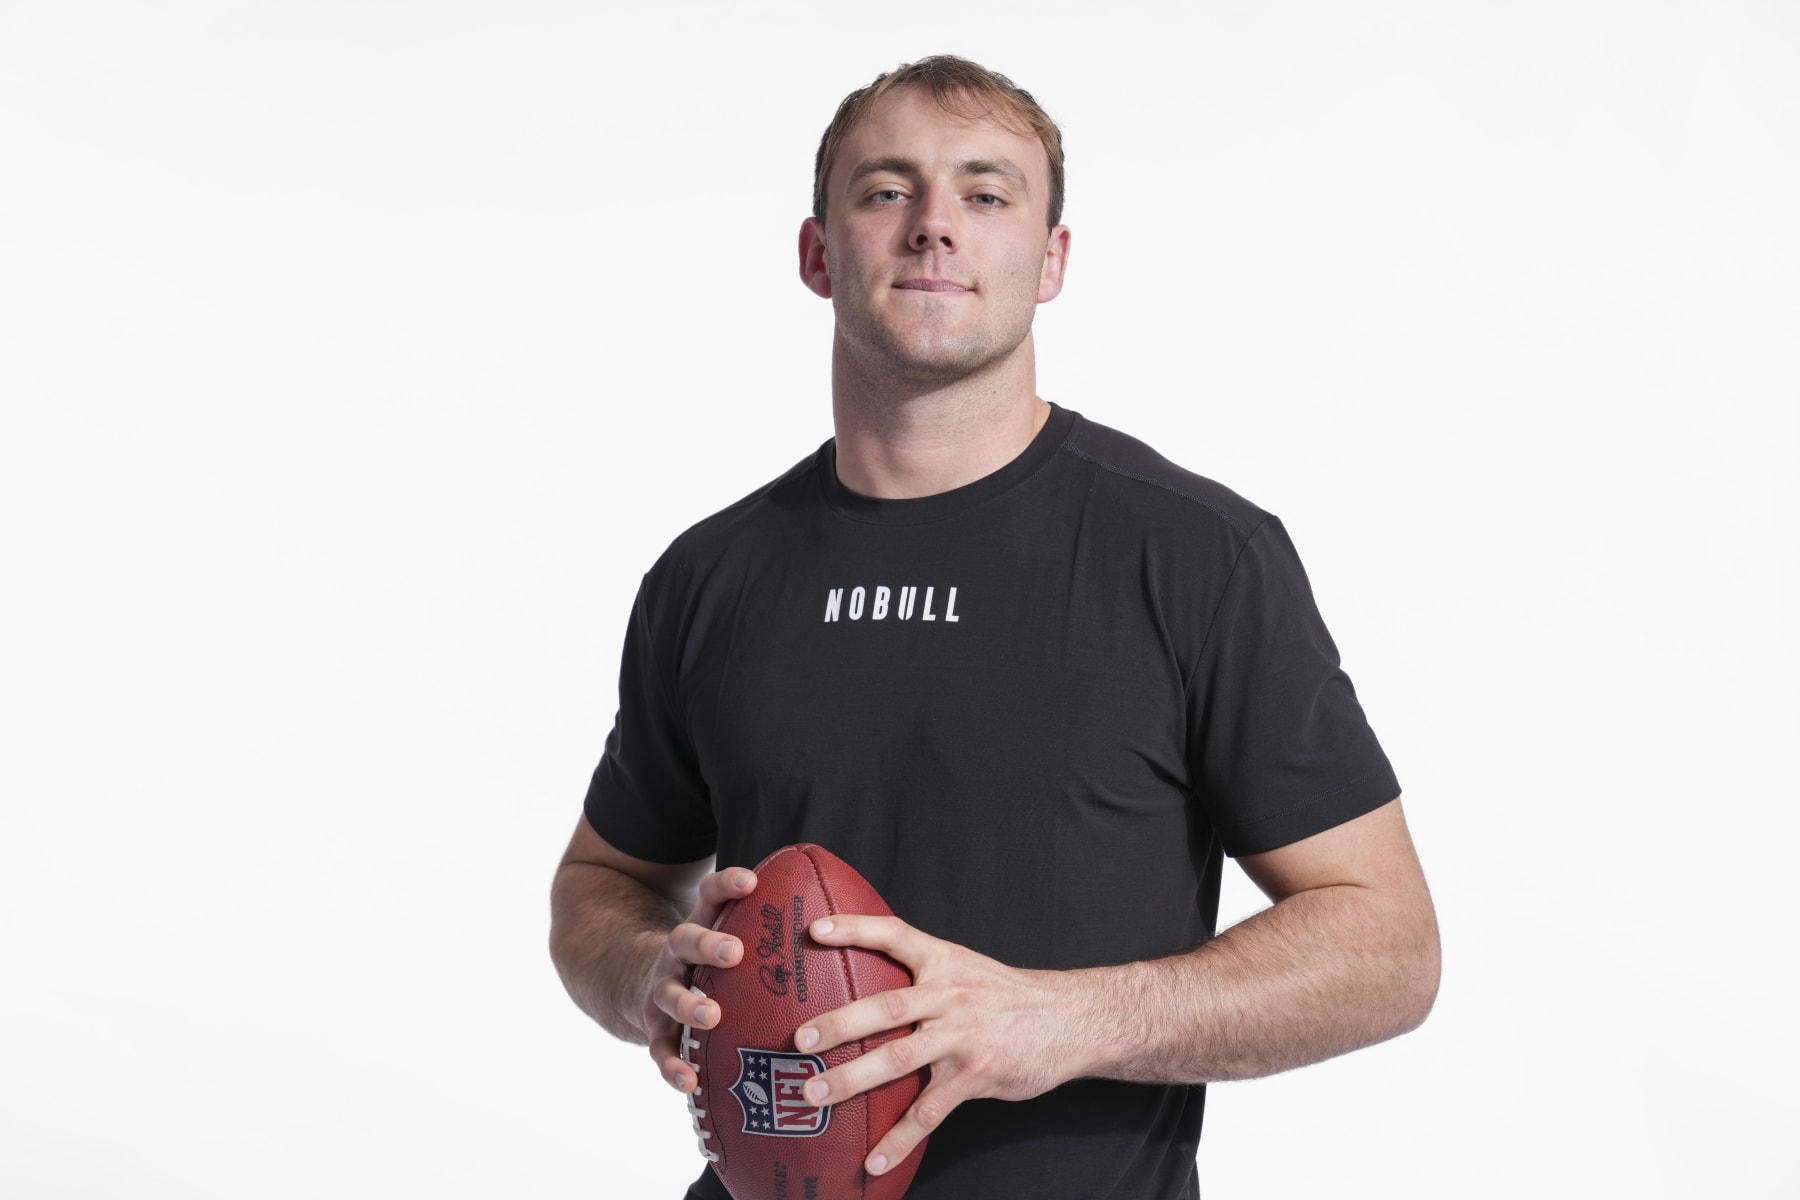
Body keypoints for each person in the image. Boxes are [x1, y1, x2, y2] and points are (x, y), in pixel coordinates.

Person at [549, 54, 1440, 1199]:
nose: (933, 225)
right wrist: (646, 974)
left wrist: (1066, 1018)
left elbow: (1388, 947)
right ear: (818, 253)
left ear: (1051, 259)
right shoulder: (710, 575)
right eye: (886, 189)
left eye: (985, 192)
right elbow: (601, 881)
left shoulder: (1194, 555)